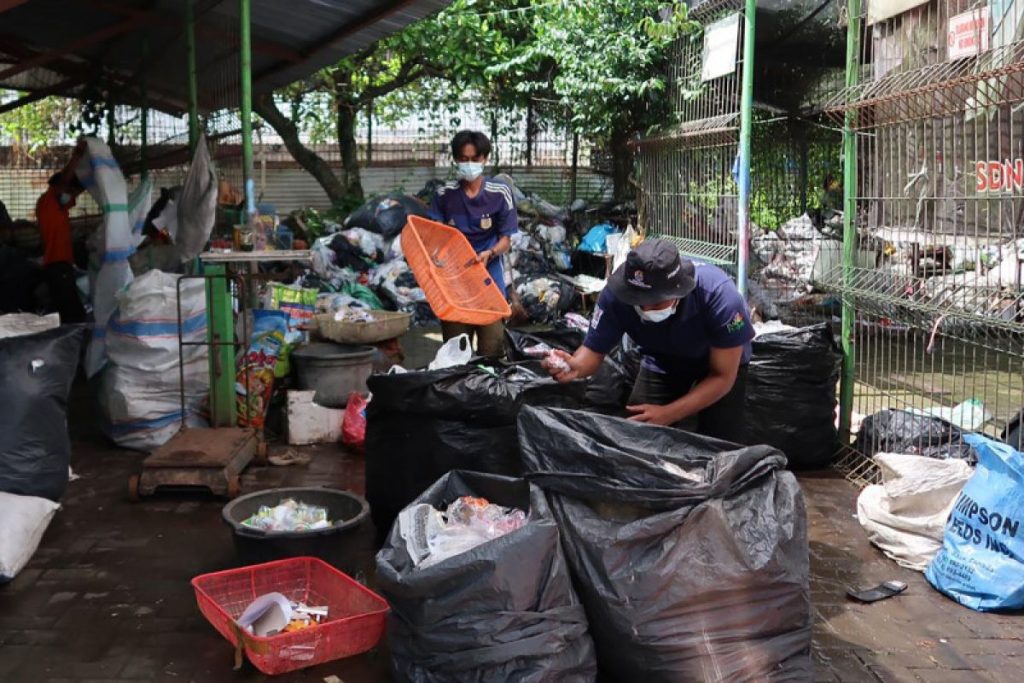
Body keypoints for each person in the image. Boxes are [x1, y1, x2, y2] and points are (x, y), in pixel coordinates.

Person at [544, 239, 755, 442]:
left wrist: (669, 414)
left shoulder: (719, 297)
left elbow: (723, 376)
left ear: (678, 292)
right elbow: (592, 352)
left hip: (716, 365)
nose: (646, 309)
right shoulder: (616, 297)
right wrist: (573, 367)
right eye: (639, 301)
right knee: (638, 432)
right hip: (662, 359)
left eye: (655, 303)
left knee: (720, 440)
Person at [428, 130, 518, 357]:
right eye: (463, 159)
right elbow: (434, 236)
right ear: (456, 160)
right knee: (456, 351)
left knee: (492, 349)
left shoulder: (500, 193)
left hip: (488, 279)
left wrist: (490, 252)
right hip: (454, 282)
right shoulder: (444, 194)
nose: (469, 164)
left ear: (485, 159)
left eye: (475, 159)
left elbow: (506, 240)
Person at [36, 140, 88, 324]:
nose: (70, 193)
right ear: (58, 187)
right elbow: (66, 178)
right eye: (67, 189)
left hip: (57, 266)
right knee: (75, 314)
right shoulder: (51, 200)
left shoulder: (55, 205)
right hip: (58, 266)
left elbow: (73, 192)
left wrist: (88, 182)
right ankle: (76, 347)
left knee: (67, 311)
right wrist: (78, 155)